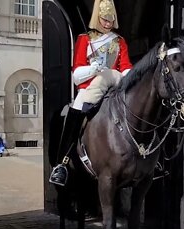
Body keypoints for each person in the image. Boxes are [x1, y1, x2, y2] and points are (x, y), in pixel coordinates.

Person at [49, 0, 133, 186]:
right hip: (90, 87)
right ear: (98, 17)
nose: (108, 22)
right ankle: (62, 164)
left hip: (115, 84)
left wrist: (131, 77)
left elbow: (125, 66)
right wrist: (93, 69)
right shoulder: (85, 39)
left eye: (111, 18)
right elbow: (77, 74)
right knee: (76, 108)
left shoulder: (119, 41)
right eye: (104, 18)